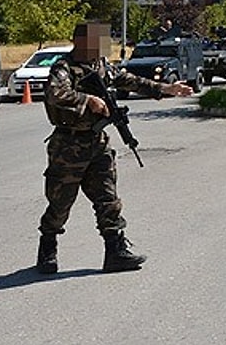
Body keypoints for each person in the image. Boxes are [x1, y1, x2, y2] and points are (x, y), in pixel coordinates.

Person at [36, 22, 193, 275]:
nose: (100, 46)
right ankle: (47, 249)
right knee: (60, 203)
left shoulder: (101, 66)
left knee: (108, 198)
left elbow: (129, 80)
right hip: (68, 146)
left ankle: (116, 251)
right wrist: (88, 100)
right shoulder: (63, 68)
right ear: (79, 41)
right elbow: (55, 93)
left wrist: (166, 89)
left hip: (97, 143)